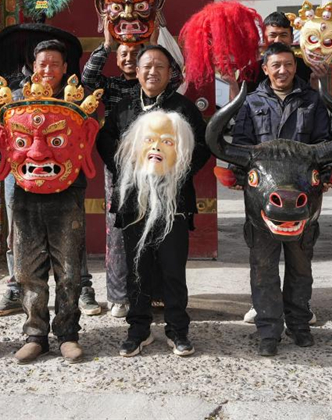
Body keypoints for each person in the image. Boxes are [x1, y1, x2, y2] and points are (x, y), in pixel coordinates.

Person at [97, 45, 210, 357]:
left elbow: (202, 146)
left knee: (174, 268)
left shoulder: (184, 108)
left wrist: (179, 169)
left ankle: (178, 329)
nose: (151, 72)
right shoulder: (124, 107)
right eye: (146, 65)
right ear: (137, 70)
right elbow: (105, 141)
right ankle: (139, 328)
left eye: (159, 66)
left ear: (169, 72)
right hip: (135, 202)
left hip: (174, 201)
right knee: (137, 267)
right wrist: (127, 168)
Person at [231, 42, 331, 356]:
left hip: (302, 200)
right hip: (263, 203)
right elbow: (241, 144)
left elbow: (327, 142)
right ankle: (268, 332)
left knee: (301, 267)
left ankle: (299, 326)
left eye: (288, 64)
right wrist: (239, 173)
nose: (283, 70)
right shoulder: (249, 102)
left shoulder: (312, 101)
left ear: (294, 66)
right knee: (263, 268)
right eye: (276, 65)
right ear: (265, 68)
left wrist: (324, 174)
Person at [82, 30, 183, 318]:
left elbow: (175, 73)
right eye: (122, 54)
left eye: (133, 53)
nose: (127, 58)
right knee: (117, 230)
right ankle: (118, 296)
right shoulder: (111, 86)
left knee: (157, 226)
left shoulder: (159, 87)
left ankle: (156, 293)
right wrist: (104, 46)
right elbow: (88, 80)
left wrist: (152, 44)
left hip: (157, 163)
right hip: (120, 165)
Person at [12, 40, 92, 364]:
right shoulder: (17, 102)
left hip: (67, 193)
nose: (47, 70)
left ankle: (68, 333)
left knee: (69, 268)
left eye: (55, 64)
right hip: (26, 195)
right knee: (27, 269)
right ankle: (35, 334)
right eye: (42, 63)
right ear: (33, 66)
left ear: (65, 70)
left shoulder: (77, 103)